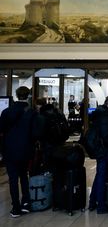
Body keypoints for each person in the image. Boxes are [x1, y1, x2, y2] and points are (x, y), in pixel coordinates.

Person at [0, 86, 40, 218]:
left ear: (16, 96)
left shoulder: (6, 112)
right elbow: (35, 133)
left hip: (10, 149)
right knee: (24, 176)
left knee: (12, 179)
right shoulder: (32, 113)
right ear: (28, 95)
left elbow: (1, 131)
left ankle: (15, 207)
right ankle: (26, 203)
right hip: (26, 149)